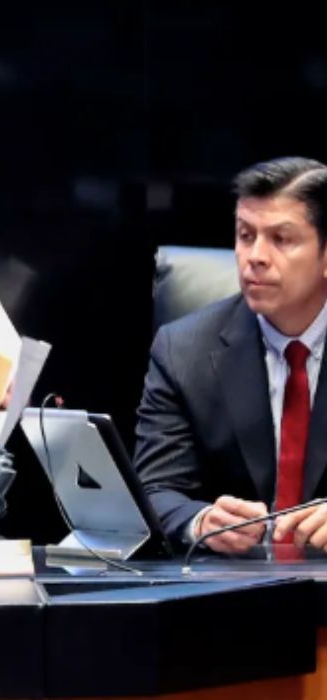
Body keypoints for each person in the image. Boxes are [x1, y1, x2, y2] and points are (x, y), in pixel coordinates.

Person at [134, 157, 327, 553]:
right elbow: (155, 490)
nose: (255, 256)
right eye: (245, 235)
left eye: (281, 239)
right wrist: (200, 522)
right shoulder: (183, 351)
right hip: (234, 582)